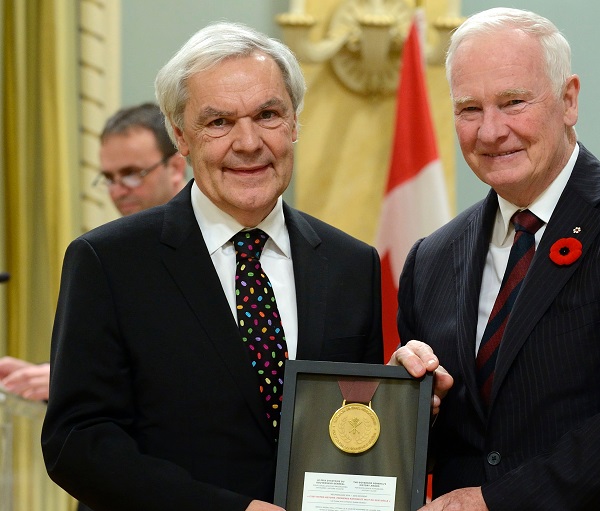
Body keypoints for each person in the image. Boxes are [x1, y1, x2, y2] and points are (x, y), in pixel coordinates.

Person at [392, 7, 600, 510]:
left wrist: (498, 502)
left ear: (569, 100)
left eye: (513, 102)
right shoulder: (431, 260)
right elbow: (452, 447)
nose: (490, 131)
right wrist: (416, 407)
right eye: (469, 109)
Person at [41, 22, 383, 511]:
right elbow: (77, 443)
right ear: (180, 136)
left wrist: (414, 408)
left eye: (268, 114)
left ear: (294, 125)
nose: (248, 143)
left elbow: (357, 429)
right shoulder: (109, 262)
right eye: (219, 122)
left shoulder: (352, 264)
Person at [0, 103, 187, 402]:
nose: (118, 190)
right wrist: (50, 379)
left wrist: (73, 380)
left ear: (176, 167)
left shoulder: (212, 250)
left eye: (131, 174)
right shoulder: (107, 258)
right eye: (109, 178)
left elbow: (188, 371)